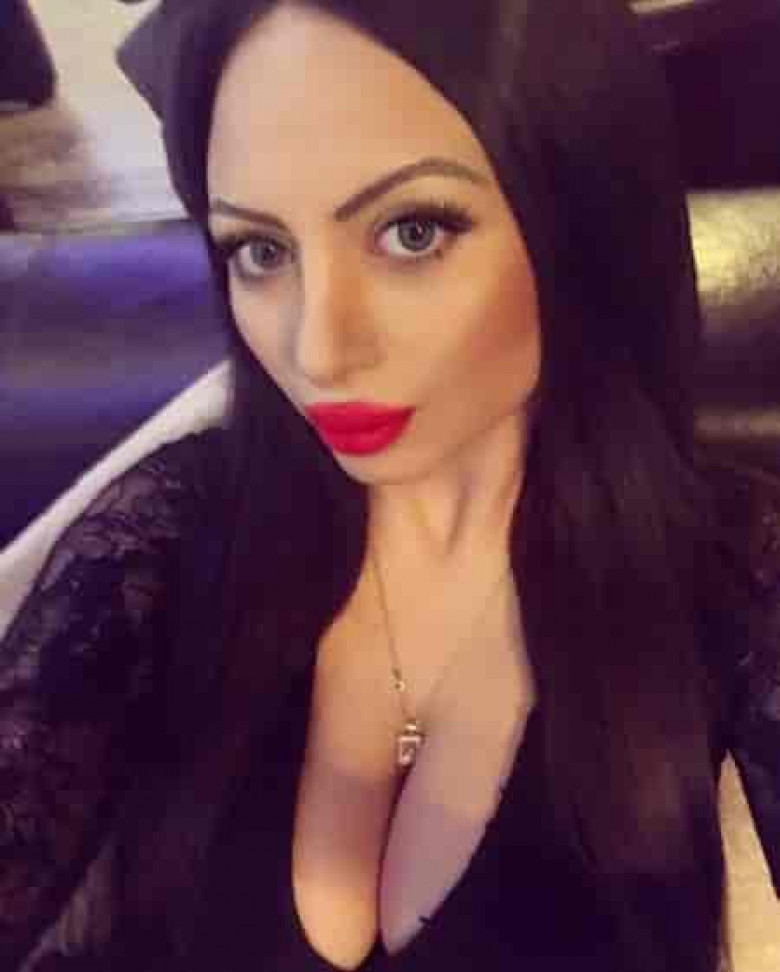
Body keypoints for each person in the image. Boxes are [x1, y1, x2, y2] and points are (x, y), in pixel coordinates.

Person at [1, 1, 779, 970]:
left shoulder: (736, 572)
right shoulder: (169, 535)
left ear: (584, 217)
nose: (318, 349)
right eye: (260, 250)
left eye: (412, 231)